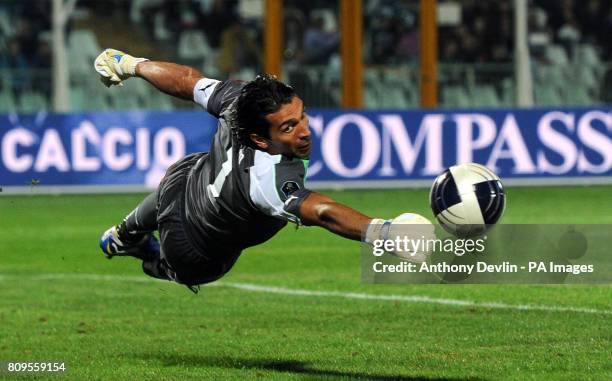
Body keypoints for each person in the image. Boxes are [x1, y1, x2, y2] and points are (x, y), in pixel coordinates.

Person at [94, 49, 433, 293]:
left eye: (302, 115)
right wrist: (384, 233)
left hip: (189, 180)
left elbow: (187, 81)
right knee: (181, 268)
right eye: (288, 127)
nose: (304, 131)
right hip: (196, 247)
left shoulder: (239, 99)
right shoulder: (267, 179)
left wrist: (132, 64)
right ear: (259, 139)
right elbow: (323, 213)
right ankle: (144, 249)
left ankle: (124, 234)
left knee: (183, 174)